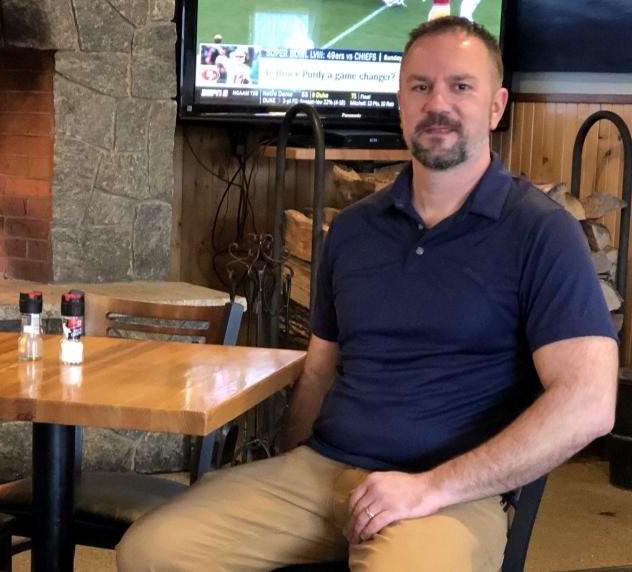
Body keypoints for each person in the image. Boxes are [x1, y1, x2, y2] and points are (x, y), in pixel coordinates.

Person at [117, 16, 617, 572]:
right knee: (151, 551)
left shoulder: (541, 231)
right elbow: (319, 372)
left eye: (461, 86)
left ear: (496, 108)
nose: (437, 104)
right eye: (420, 87)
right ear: (401, 103)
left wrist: (429, 488)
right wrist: (285, 465)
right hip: (321, 472)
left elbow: (589, 403)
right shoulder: (353, 230)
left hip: (448, 494)